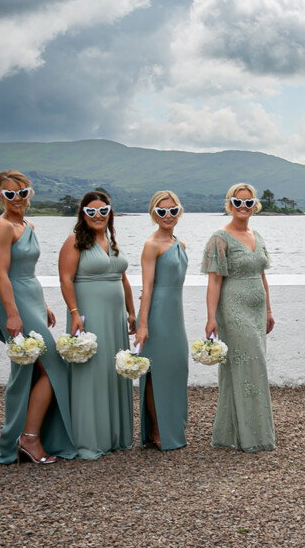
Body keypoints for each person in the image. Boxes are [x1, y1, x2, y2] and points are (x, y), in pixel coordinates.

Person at [0, 170, 75, 465]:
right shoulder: (1, 227)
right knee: (54, 369)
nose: (17, 199)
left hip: (31, 298)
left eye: (23, 193)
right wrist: (12, 313)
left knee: (37, 371)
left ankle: (29, 438)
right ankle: (28, 439)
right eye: (10, 194)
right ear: (0, 196)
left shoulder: (28, 224)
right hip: (15, 303)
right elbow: (1, 274)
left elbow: (27, 272)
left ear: (30, 194)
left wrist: (43, 304)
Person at [59, 191, 136, 459]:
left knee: (113, 370)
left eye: (103, 211)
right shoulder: (74, 242)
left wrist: (131, 312)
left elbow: (123, 278)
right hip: (90, 313)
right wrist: (74, 313)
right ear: (83, 215)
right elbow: (66, 280)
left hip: (115, 316)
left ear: (109, 213)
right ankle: (90, 439)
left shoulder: (112, 240)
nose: (98, 216)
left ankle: (115, 436)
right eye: (91, 212)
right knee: (91, 373)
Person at [203, 183, 276, 453]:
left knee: (245, 368)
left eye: (248, 202)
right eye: (238, 202)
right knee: (251, 365)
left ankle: (233, 432)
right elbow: (213, 281)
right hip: (232, 309)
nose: (243, 207)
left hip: (257, 311)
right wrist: (211, 317)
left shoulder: (257, 235)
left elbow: (263, 276)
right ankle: (251, 436)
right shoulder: (219, 238)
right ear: (229, 204)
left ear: (255, 204)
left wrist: (268, 309)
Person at [135, 191, 189, 451]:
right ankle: (157, 431)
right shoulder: (152, 244)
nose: (168, 215)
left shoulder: (180, 243)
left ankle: (173, 428)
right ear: (153, 213)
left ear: (179, 211)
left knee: (177, 369)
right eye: (161, 211)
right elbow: (147, 287)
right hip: (157, 314)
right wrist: (142, 325)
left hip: (175, 313)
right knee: (155, 373)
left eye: (172, 210)